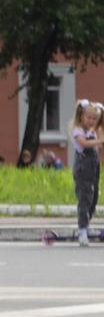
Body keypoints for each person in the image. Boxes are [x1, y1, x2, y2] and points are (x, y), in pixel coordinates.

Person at [72, 99, 101, 246]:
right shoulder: (78, 131)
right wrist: (99, 142)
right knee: (84, 198)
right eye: (89, 118)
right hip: (83, 168)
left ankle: (87, 224)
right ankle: (82, 229)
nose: (91, 121)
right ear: (81, 117)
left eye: (94, 119)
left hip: (94, 167)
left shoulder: (93, 131)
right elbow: (84, 143)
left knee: (94, 197)